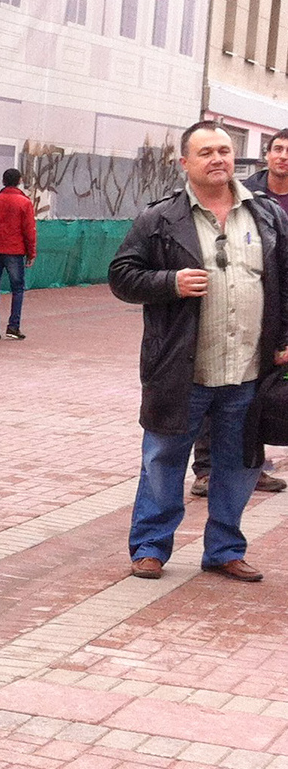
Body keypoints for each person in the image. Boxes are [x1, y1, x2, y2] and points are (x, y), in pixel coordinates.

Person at [110, 120, 288, 583]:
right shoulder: (160, 218)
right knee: (163, 460)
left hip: (250, 369)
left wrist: (285, 340)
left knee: (240, 466)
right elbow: (122, 276)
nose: (218, 159)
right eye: (206, 152)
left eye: (225, 151)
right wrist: (169, 282)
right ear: (185, 162)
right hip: (179, 369)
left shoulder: (267, 215)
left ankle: (225, 549)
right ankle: (150, 547)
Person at [190, 128, 288, 495]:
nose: (283, 156)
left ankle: (254, 463)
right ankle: (205, 469)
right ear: (267, 154)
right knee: (209, 378)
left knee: (255, 394)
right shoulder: (248, 195)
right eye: (277, 148)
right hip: (226, 306)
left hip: (273, 306)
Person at [0, 168, 36, 341]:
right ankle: (13, 326)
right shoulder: (24, 203)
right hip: (15, 251)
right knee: (17, 289)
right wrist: (31, 252)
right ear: (19, 181)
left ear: (3, 181)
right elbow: (29, 231)